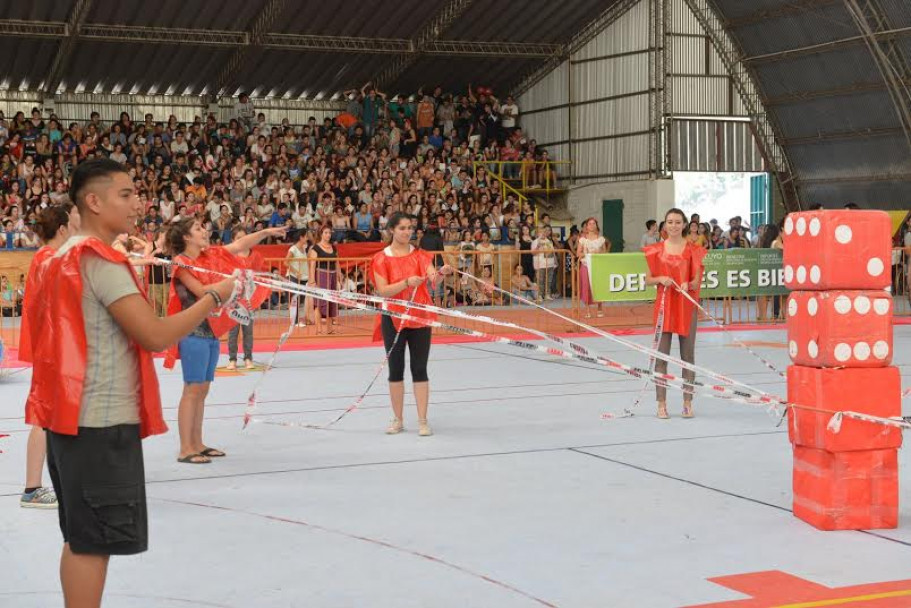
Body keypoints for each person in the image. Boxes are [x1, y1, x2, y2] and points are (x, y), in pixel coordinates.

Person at [29, 159, 237, 608]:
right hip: (100, 423)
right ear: (93, 201)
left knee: (81, 537)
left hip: (70, 418)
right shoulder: (99, 261)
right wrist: (215, 297)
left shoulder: (59, 257)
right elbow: (155, 334)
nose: (136, 202)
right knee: (93, 543)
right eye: (125, 194)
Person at [166, 219, 284, 464]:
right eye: (198, 229)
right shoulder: (182, 262)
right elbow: (202, 292)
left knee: (203, 389)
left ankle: (197, 442)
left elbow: (240, 244)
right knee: (192, 389)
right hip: (192, 331)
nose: (204, 231)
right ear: (186, 237)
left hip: (210, 333)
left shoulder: (210, 255)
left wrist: (264, 232)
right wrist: (236, 280)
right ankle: (186, 448)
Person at [18, 203, 80, 509]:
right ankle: (32, 488)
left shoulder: (48, 258)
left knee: (51, 418)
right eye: (73, 220)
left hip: (54, 349)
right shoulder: (49, 260)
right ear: (63, 229)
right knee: (43, 418)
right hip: (52, 351)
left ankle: (49, 482)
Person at [370, 212, 452, 436]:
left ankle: (423, 420)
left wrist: (442, 273)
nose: (407, 232)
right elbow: (383, 290)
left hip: (419, 318)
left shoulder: (421, 255)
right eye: (402, 228)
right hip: (393, 319)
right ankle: (397, 419)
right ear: (392, 230)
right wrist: (406, 282)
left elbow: (433, 280)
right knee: (396, 369)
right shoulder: (381, 258)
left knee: (419, 369)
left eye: (410, 228)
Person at [643, 208, 707, 420]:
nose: (673, 225)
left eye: (677, 222)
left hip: (685, 308)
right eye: (669, 222)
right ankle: (661, 403)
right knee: (662, 357)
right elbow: (648, 279)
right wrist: (661, 278)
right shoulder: (655, 250)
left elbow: (698, 281)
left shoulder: (694, 251)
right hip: (664, 308)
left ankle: (687, 402)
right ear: (664, 224)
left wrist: (690, 283)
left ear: (684, 224)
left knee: (687, 356)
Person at [225, 226, 264, 370]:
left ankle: (248, 358)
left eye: (244, 237)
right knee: (233, 331)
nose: (241, 241)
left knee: (248, 331)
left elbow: (260, 278)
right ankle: (232, 359)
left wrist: (257, 298)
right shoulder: (230, 256)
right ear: (233, 240)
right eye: (238, 238)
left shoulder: (256, 256)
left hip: (249, 300)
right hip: (234, 300)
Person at [309, 224, 343, 334]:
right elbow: (312, 265)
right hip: (321, 276)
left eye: (329, 233)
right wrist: (312, 280)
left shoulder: (334, 247)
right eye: (326, 233)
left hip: (332, 275)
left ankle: (329, 329)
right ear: (321, 234)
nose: (328, 235)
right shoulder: (316, 248)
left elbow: (337, 262)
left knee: (331, 302)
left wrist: (340, 276)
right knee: (319, 302)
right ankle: (318, 329)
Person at [577, 217, 608, 318]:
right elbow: (578, 253)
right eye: (590, 224)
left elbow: (605, 252)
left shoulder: (601, 239)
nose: (592, 225)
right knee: (586, 286)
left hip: (598, 265)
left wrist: (598, 252)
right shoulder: (582, 239)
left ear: (596, 225)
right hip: (586, 265)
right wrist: (587, 253)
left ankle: (599, 308)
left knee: (598, 286)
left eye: (594, 223)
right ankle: (587, 310)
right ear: (586, 226)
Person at [286, 230, 311, 327]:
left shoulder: (304, 248)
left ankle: (295, 320)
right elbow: (286, 262)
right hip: (293, 276)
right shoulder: (293, 249)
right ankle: (294, 322)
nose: (307, 238)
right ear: (301, 237)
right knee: (294, 299)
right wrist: (296, 271)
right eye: (306, 236)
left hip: (303, 277)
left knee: (300, 300)